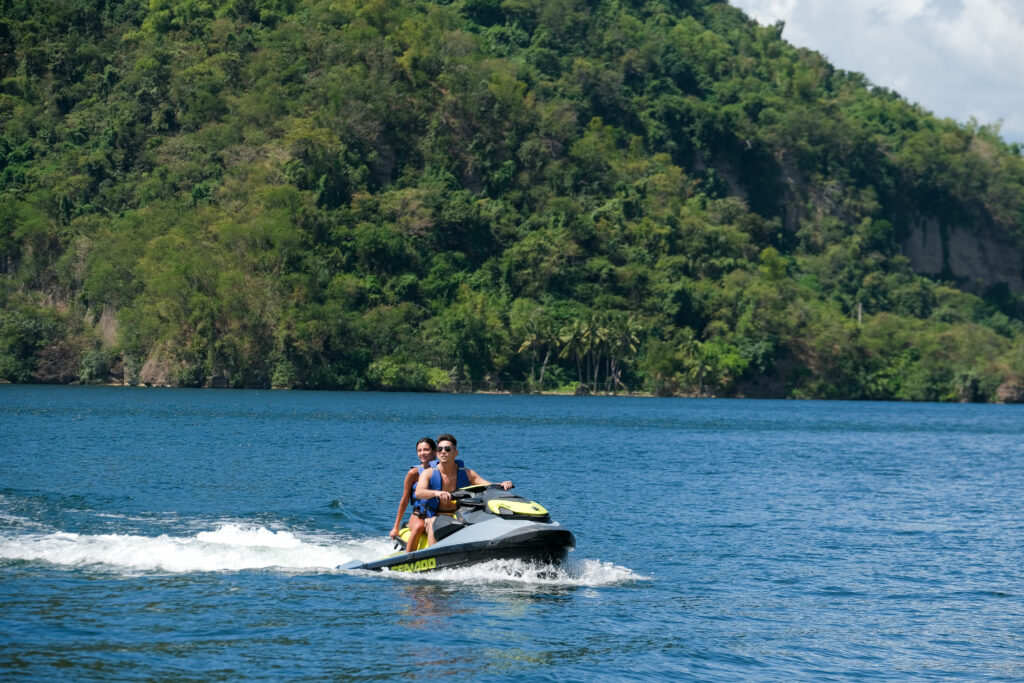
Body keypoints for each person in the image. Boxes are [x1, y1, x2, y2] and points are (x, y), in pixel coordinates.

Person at [414, 433, 513, 546]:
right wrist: (437, 493)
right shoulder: (428, 473)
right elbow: (419, 492)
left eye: (447, 449)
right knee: (433, 523)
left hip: (460, 516)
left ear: (455, 453)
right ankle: (432, 556)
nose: (443, 451)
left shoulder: (467, 473)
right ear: (436, 453)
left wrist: (502, 484)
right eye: (440, 449)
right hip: (434, 516)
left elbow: (487, 486)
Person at [389, 437, 436, 552]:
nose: (422, 453)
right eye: (419, 451)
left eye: (426, 450)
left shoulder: (441, 470)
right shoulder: (414, 473)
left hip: (436, 513)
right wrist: (395, 527)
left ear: (435, 451)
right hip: (418, 515)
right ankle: (409, 558)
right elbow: (404, 500)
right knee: (419, 526)